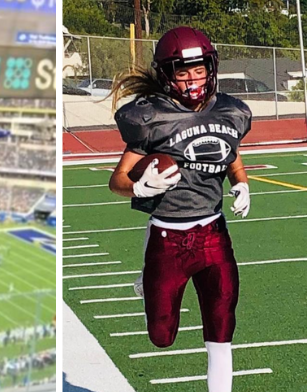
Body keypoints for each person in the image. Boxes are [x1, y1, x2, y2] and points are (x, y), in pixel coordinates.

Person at [108, 26, 251, 392]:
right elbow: (117, 180)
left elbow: (229, 153)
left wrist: (241, 183)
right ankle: (147, 274)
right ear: (166, 75)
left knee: (221, 330)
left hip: (213, 235)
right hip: (167, 239)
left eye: (198, 69)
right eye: (182, 71)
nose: (192, 79)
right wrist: (140, 186)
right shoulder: (150, 117)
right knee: (161, 336)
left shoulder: (230, 112)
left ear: (211, 68)